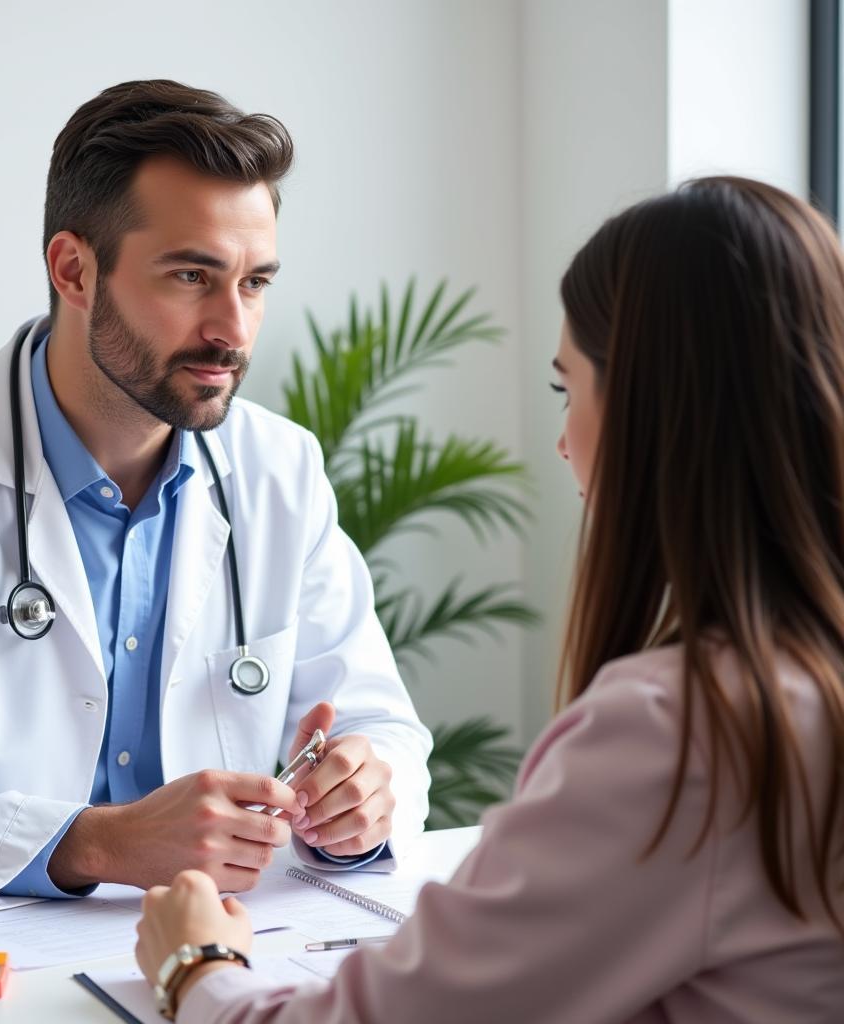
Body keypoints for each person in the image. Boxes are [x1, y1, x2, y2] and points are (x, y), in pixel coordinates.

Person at [133, 176, 844, 1022]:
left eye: (565, 386)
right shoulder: (799, 688)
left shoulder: (683, 733)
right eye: (191, 276)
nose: (562, 438)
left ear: (652, 409)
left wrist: (196, 965)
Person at [0, 79, 432, 908]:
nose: (235, 330)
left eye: (255, 282)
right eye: (192, 276)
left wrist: (366, 789)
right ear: (74, 269)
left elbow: (379, 726)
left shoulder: (280, 469)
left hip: (239, 950)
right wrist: (100, 842)